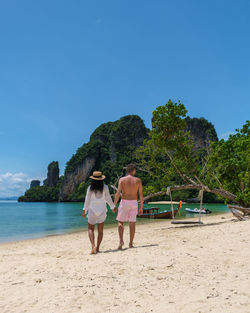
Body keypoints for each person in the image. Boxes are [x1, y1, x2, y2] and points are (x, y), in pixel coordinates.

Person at [82, 171, 115, 254]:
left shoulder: (90, 188)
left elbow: (87, 199)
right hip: (102, 210)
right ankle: (98, 248)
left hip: (92, 210)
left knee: (90, 228)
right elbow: (108, 198)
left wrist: (84, 210)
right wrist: (112, 207)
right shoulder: (105, 187)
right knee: (100, 231)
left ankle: (93, 245)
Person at [113, 164, 143, 249]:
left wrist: (114, 205)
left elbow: (118, 193)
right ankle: (130, 243)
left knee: (120, 222)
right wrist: (141, 207)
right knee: (132, 223)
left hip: (124, 202)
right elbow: (140, 194)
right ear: (133, 170)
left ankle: (121, 241)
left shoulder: (122, 180)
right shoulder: (138, 180)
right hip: (134, 202)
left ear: (127, 171)